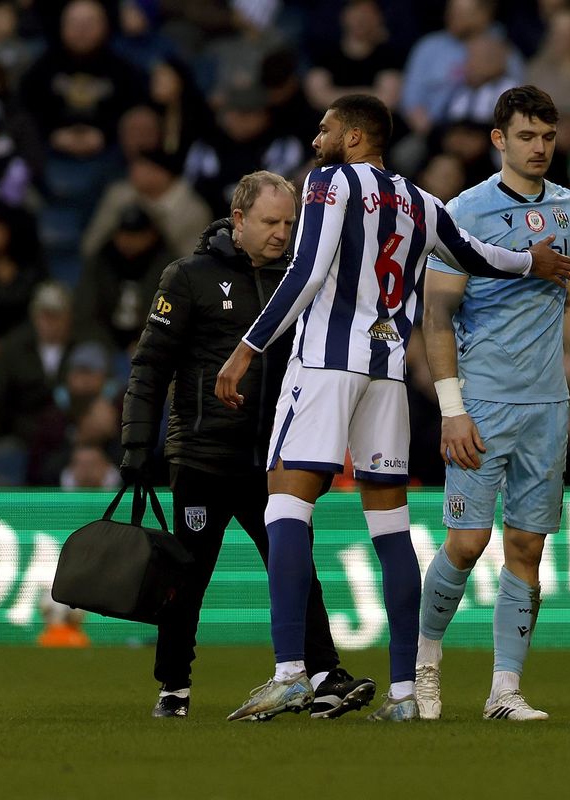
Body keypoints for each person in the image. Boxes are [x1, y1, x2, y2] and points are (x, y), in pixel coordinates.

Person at [215, 94, 570, 722]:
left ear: (355, 138)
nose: (316, 139)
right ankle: (407, 693)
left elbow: (305, 271)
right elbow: (472, 253)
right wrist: (532, 262)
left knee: (286, 504)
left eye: (326, 129)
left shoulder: (329, 181)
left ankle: (290, 673)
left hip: (327, 365)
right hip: (387, 373)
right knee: (389, 527)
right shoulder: (419, 200)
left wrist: (246, 350)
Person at [120, 171, 376, 719]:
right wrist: (137, 444)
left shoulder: (301, 281)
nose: (282, 233)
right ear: (238, 221)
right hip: (203, 457)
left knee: (295, 568)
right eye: (270, 222)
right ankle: (174, 687)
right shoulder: (188, 278)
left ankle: (327, 673)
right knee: (187, 577)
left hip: (275, 459)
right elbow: (149, 368)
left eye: (289, 222)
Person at [413, 86, 570, 722]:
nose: (539, 149)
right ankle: (423, 663)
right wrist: (452, 407)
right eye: (526, 137)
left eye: (548, 138)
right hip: (483, 404)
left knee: (526, 549)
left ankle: (505, 690)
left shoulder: (566, 206)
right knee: (468, 542)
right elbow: (437, 313)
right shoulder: (464, 212)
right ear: (499, 140)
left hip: (547, 407)